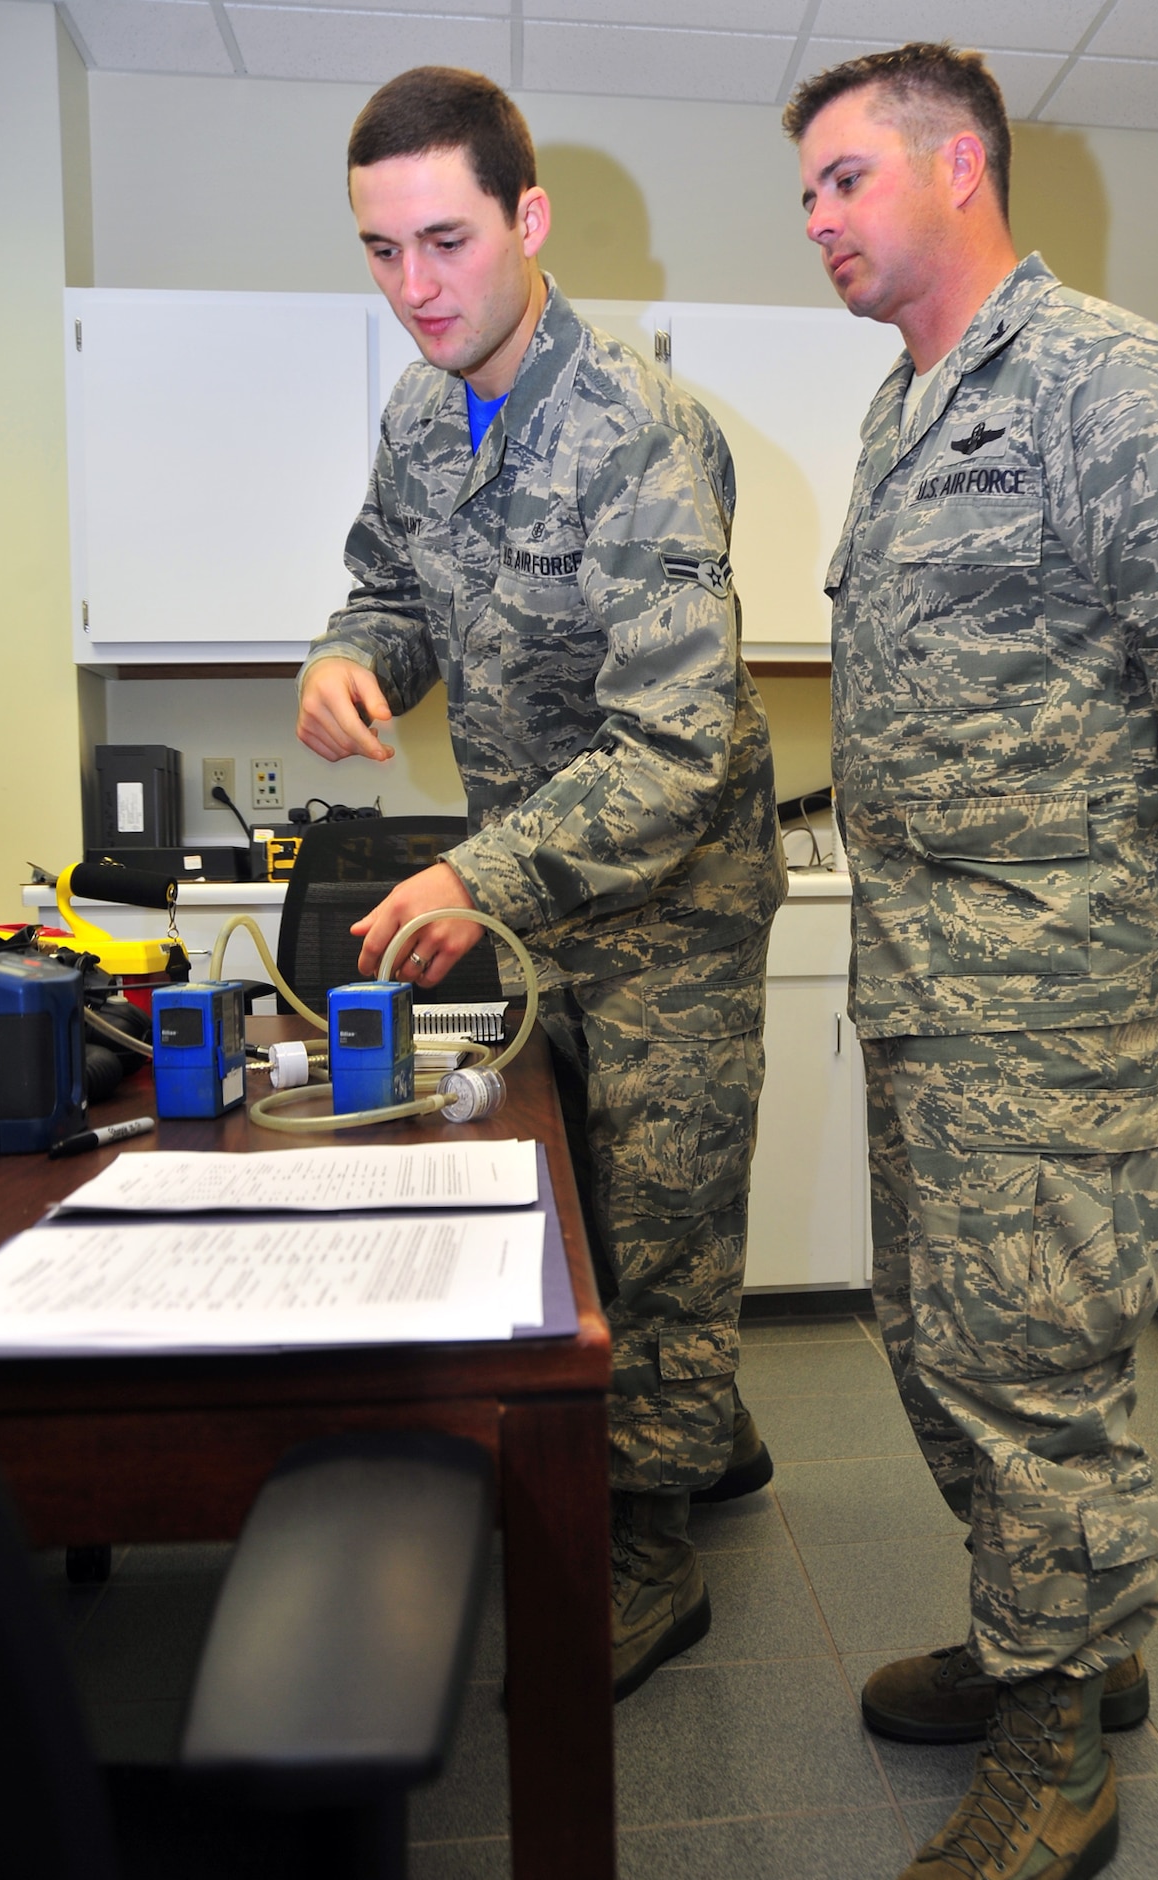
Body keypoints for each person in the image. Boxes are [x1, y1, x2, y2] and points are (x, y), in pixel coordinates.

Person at [783, 41, 1158, 1880]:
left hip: (1052, 979)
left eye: (846, 179)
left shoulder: (1109, 377)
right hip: (929, 977)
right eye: (808, 193)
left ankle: (1054, 1755)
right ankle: (1063, 1637)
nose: (821, 220)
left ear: (960, 171)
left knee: (1033, 1370)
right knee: (930, 1333)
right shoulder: (897, 413)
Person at [297, 66, 785, 1700]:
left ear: (528, 221)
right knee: (572, 1193)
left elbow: (671, 747)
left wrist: (469, 866)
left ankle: (649, 1550)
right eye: (380, 250)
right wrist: (348, 657)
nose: (414, 288)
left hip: (670, 899)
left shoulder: (641, 428)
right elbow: (390, 587)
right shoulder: (422, 414)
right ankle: (690, 1431)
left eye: (445, 241)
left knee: (658, 1215)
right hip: (535, 888)